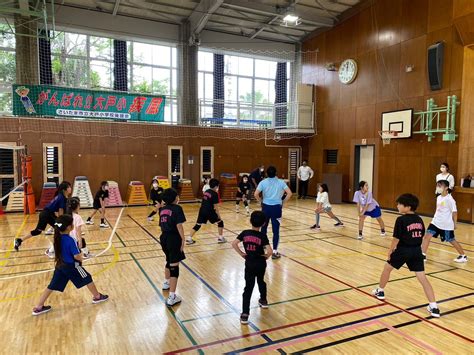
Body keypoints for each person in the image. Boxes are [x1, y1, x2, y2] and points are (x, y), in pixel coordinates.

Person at [372, 193, 440, 318]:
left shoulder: (401, 220)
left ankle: (380, 291)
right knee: (422, 278)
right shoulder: (419, 219)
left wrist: (390, 251)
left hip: (403, 250)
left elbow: (395, 239)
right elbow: (422, 236)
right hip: (416, 251)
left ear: (407, 207)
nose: (397, 206)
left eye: (399, 204)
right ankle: (434, 306)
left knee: (387, 268)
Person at [32, 214, 108, 316]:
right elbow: (76, 255)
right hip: (72, 266)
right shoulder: (70, 240)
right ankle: (97, 296)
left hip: (60, 265)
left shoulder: (56, 239)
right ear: (69, 227)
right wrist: (81, 258)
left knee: (52, 286)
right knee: (87, 278)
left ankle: (38, 306)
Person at [231, 211, 272, 324]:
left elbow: (234, 243)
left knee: (248, 288)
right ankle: (263, 301)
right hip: (260, 263)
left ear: (250, 221)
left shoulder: (245, 233)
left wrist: (242, 254)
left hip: (249, 263)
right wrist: (265, 257)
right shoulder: (262, 236)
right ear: (263, 224)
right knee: (261, 281)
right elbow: (270, 251)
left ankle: (245, 314)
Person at [15, 181, 72, 253]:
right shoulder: (61, 198)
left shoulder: (61, 196)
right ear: (65, 189)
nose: (70, 188)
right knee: (60, 229)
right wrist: (62, 221)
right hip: (46, 214)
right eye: (69, 187)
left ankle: (19, 240)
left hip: (47, 214)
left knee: (38, 231)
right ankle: (52, 250)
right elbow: (60, 211)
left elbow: (56, 211)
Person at [422, 180, 468, 263]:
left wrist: (455, 224)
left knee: (451, 240)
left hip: (446, 225)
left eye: (440, 186)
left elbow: (454, 212)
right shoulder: (439, 197)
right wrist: (434, 219)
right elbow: (438, 209)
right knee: (426, 237)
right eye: (437, 186)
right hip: (435, 222)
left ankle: (463, 255)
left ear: (446, 188)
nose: (438, 188)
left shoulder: (450, 199)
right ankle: (423, 255)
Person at [254, 166, 292, 259]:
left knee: (263, 228)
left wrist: (261, 202)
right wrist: (283, 202)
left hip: (266, 208)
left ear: (267, 174)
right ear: (276, 173)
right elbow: (290, 193)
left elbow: (255, 194)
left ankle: (262, 246)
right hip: (276, 209)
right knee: (276, 230)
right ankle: (274, 251)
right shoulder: (281, 182)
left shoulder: (263, 182)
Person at [159, 188, 187, 306]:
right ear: (175, 198)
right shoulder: (177, 208)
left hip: (164, 237)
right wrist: (183, 239)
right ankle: (172, 297)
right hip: (173, 238)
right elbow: (179, 225)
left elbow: (162, 225)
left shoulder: (163, 209)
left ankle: (166, 283)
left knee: (169, 260)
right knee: (174, 266)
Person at [187, 178, 226, 245]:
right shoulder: (215, 194)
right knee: (220, 222)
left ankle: (189, 238)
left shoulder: (207, 191)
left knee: (198, 224)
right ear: (216, 186)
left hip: (202, 210)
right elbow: (216, 207)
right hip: (209, 211)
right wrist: (219, 216)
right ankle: (220, 238)